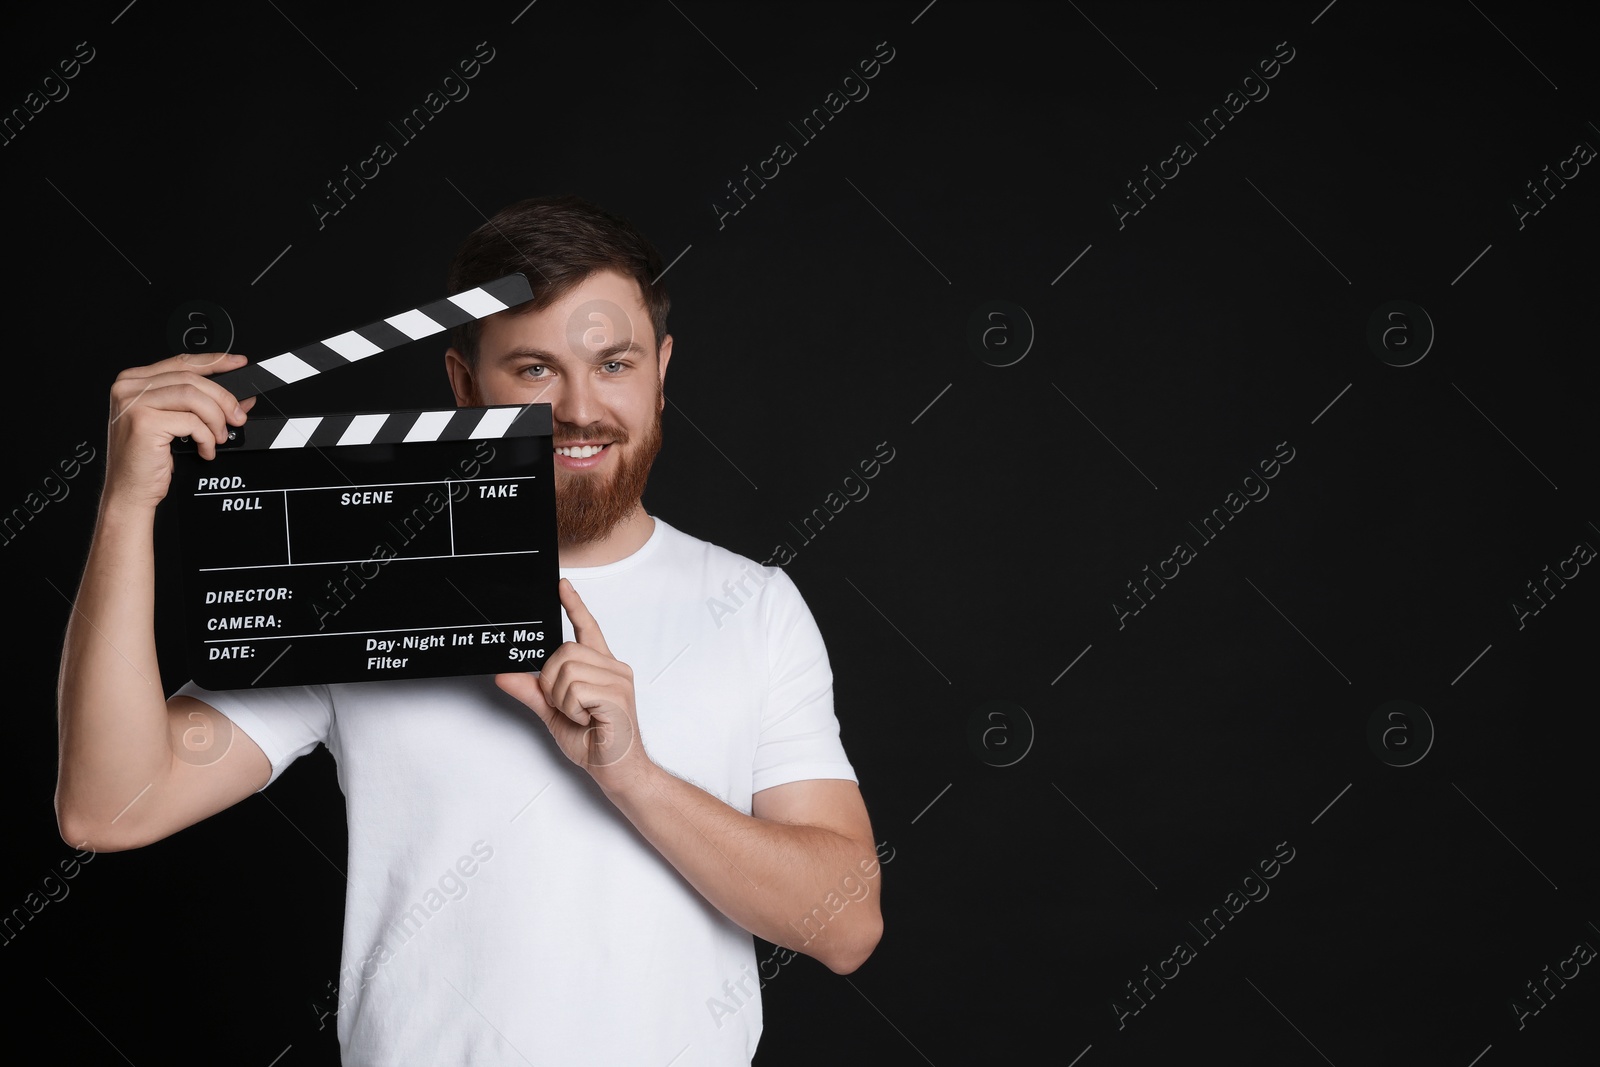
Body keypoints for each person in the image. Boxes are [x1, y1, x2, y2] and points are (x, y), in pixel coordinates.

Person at [55, 194, 883, 1065]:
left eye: (614, 363)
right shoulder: (362, 589)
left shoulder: (753, 605)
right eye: (533, 369)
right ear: (461, 384)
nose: (579, 406)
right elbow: (109, 804)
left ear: (662, 368)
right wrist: (124, 506)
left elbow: (846, 923)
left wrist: (631, 773)